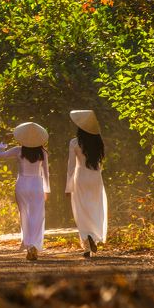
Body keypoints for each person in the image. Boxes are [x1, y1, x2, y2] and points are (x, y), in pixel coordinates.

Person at [0, 121, 50, 261]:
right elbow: (46, 173)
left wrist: (4, 141)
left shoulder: (18, 150)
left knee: (24, 214)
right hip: (37, 184)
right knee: (37, 216)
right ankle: (33, 245)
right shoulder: (43, 152)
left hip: (22, 185)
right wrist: (46, 190)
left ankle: (27, 243)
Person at [66, 110, 107, 258]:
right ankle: (93, 236)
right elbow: (100, 163)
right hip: (95, 177)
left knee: (81, 210)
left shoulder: (74, 142)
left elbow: (71, 166)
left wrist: (68, 186)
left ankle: (86, 240)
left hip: (81, 178)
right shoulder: (98, 141)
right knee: (94, 207)